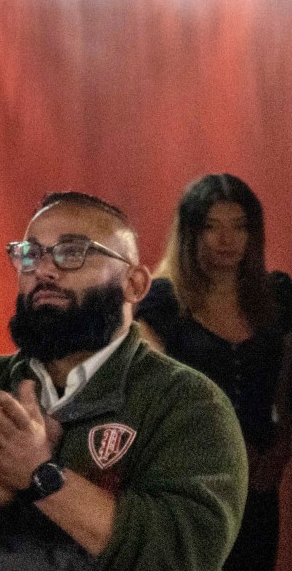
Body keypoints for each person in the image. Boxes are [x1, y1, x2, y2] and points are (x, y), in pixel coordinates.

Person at [0, 190, 248, 570]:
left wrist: (42, 476)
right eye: (30, 254)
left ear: (135, 284)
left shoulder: (187, 401)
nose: (44, 270)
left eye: (72, 252)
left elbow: (183, 553)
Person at [138, 174, 291, 571]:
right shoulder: (161, 303)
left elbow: (288, 386)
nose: (227, 239)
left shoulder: (278, 296)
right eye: (211, 226)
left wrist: (279, 453)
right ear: (190, 233)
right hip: (188, 477)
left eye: (239, 226)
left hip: (260, 476)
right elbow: (155, 399)